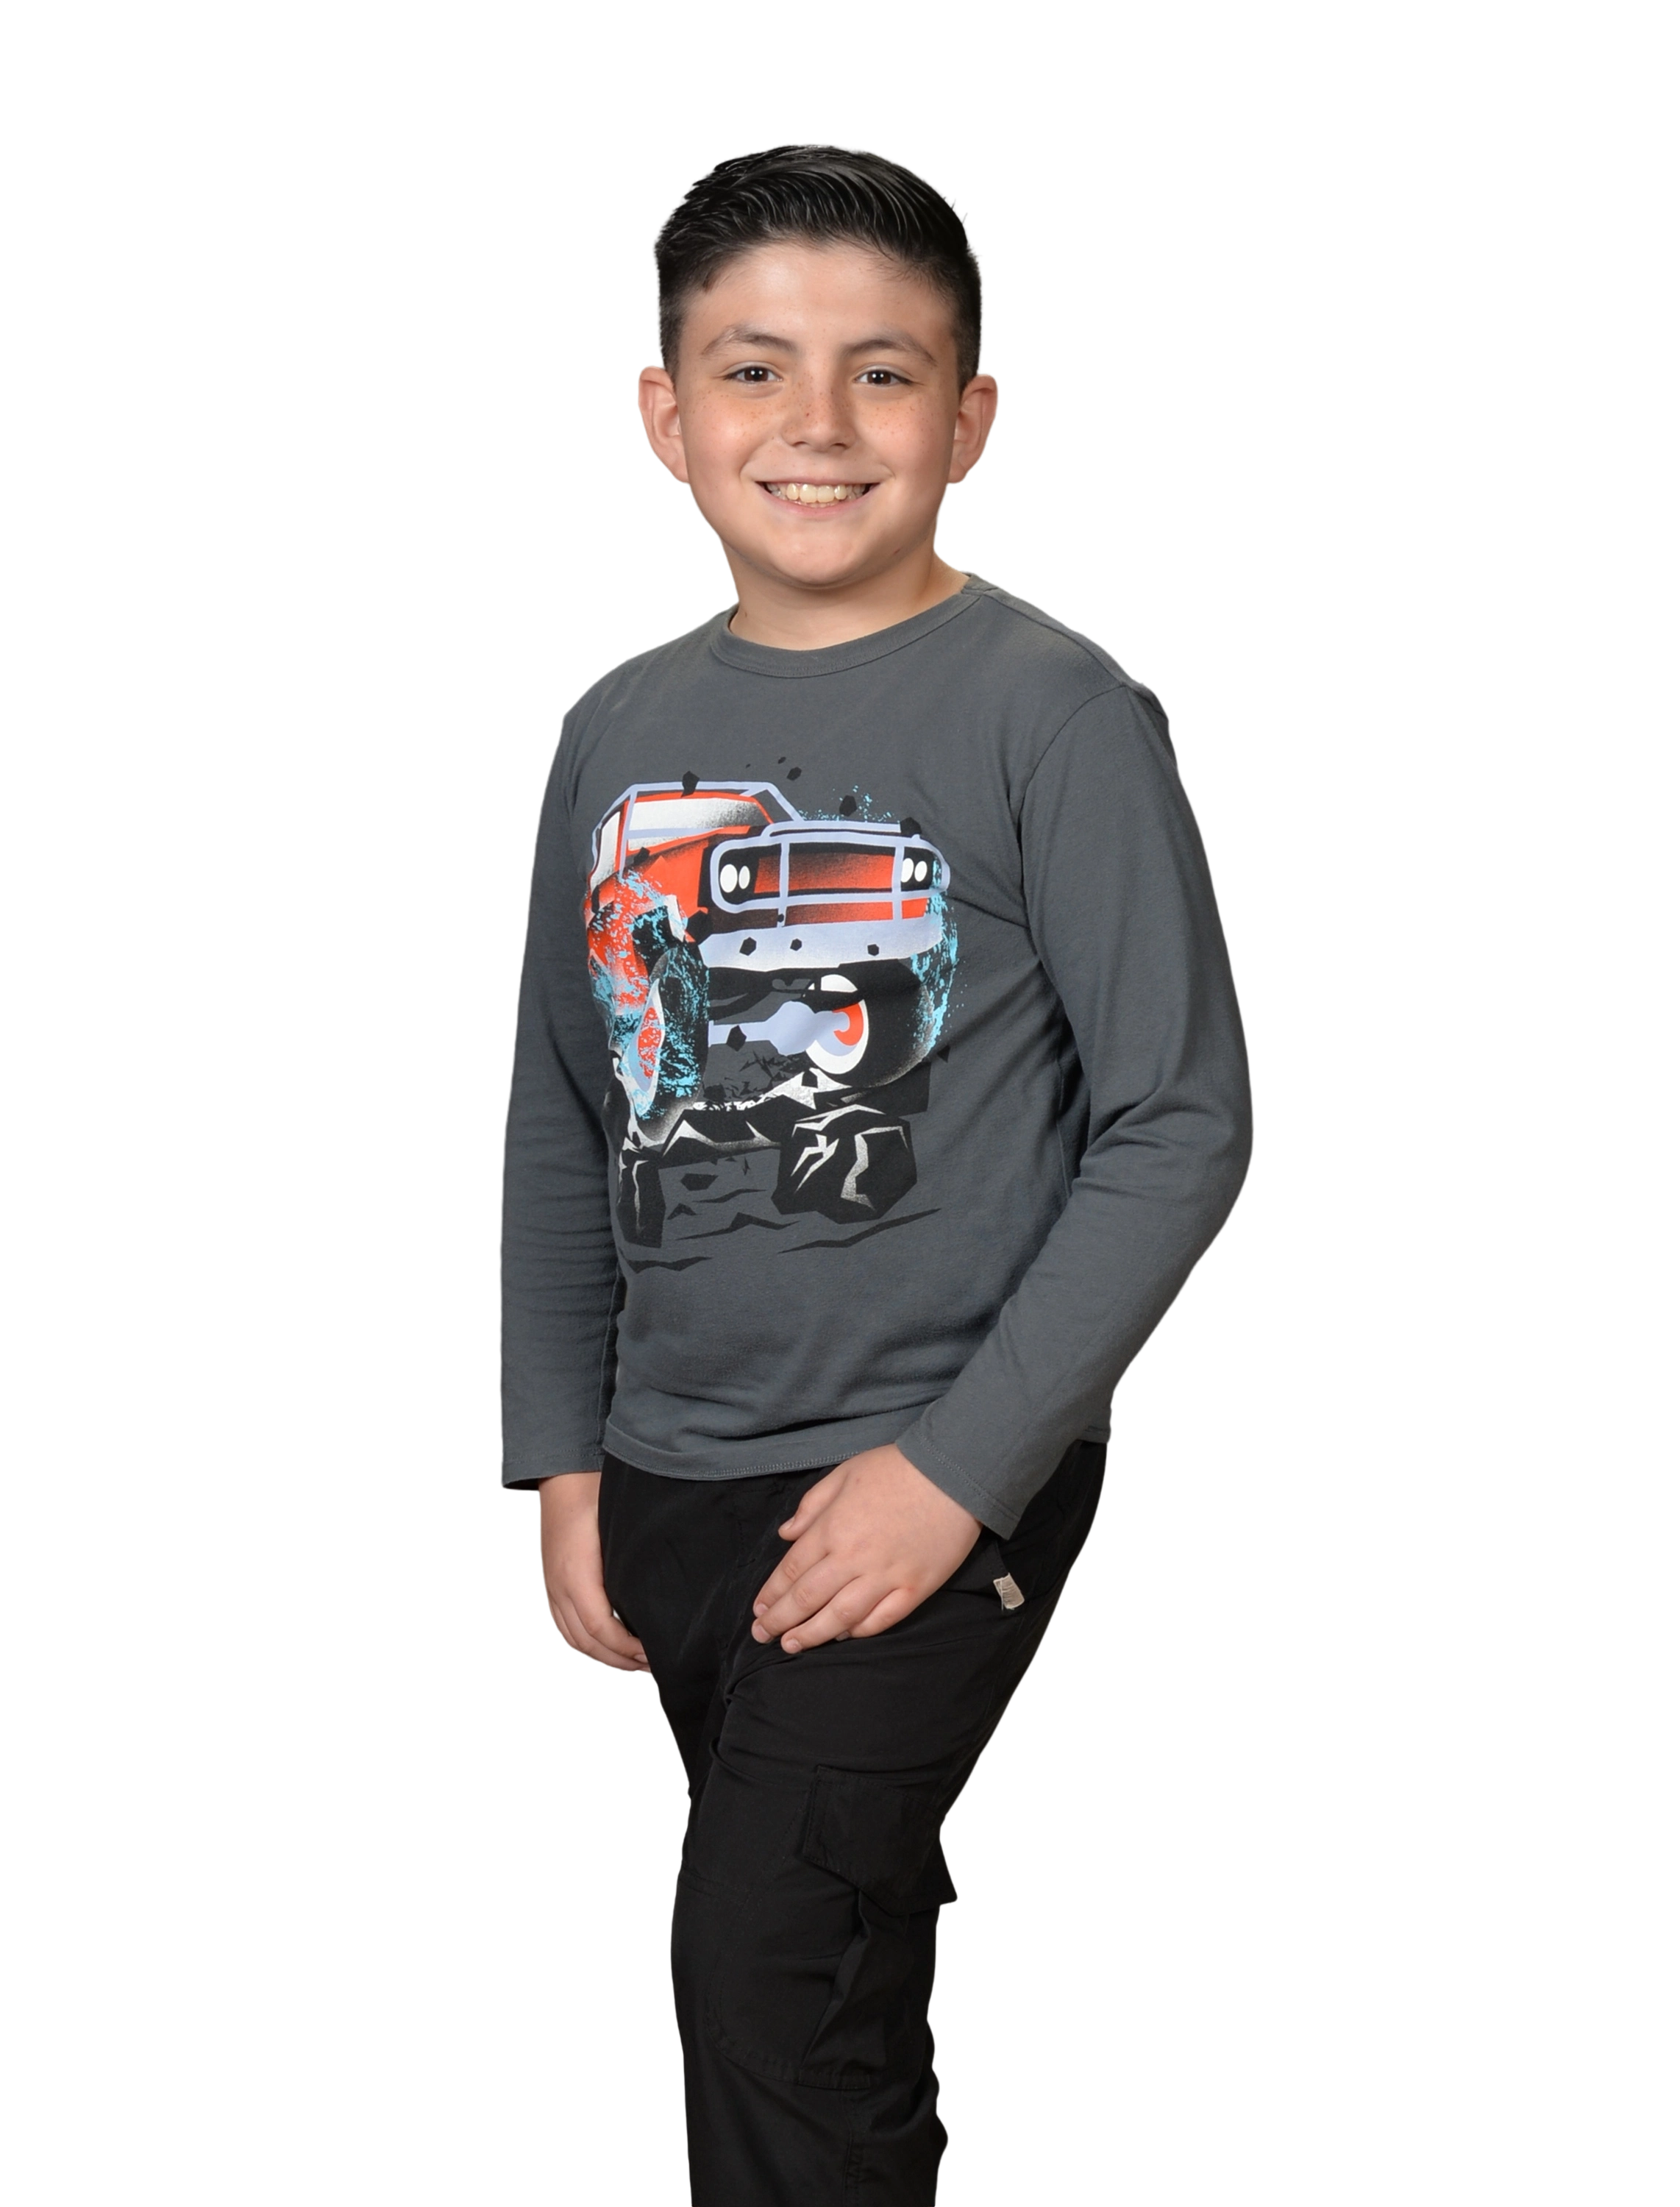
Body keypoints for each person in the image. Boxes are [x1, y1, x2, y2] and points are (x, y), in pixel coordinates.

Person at [498, 140, 1255, 2205]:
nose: (815, 425)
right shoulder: (615, 728)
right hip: (669, 1470)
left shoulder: (1056, 712)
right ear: (665, 413)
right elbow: (572, 1109)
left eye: (885, 373)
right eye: (754, 369)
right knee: (827, 1979)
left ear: (973, 418)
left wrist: (956, 1469)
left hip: (922, 1463)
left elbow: (1180, 1120)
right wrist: (565, 1456)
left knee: (761, 1984)